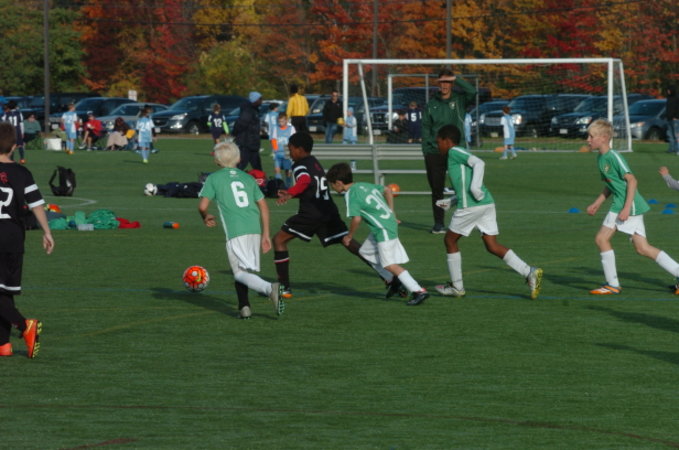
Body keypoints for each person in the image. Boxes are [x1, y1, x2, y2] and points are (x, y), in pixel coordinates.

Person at [273, 132, 402, 299]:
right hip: (328, 210)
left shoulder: (299, 165)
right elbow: (312, 187)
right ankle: (389, 277)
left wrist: (290, 193)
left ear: (300, 149)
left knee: (279, 240)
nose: (289, 152)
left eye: (290, 149)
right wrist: (294, 193)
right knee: (349, 242)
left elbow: (304, 181)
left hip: (311, 213)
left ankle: (284, 288)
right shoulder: (314, 163)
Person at [434, 124, 543, 299]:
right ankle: (529, 271)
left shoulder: (454, 152)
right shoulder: (455, 155)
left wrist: (475, 187)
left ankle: (457, 287)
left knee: (450, 240)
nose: (437, 146)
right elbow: (465, 184)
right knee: (491, 245)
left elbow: (479, 162)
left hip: (471, 207)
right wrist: (452, 201)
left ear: (447, 141)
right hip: (485, 204)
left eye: (438, 142)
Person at [586, 119, 679, 295]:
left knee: (601, 239)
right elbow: (611, 184)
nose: (588, 140)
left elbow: (632, 180)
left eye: (591, 136)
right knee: (642, 248)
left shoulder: (614, 157)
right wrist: (597, 202)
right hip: (621, 204)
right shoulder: (601, 158)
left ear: (604, 138)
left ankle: (613, 285)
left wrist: (627, 207)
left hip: (627, 205)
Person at [198, 141, 284, 319]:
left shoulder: (214, 178)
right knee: (243, 270)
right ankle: (244, 307)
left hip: (236, 230)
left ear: (216, 161)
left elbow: (202, 206)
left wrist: (205, 216)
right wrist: (266, 234)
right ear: (239, 159)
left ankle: (269, 288)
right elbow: (263, 206)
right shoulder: (248, 178)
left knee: (238, 273)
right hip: (254, 228)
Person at [326, 162, 429, 306]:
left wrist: (349, 236)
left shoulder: (350, 195)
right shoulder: (363, 185)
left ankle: (418, 290)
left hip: (383, 229)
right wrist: (391, 212)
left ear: (338, 183)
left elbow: (356, 219)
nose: (331, 187)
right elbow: (387, 190)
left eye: (331, 184)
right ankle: (393, 281)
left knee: (389, 264)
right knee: (365, 252)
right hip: (384, 225)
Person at [0, 122, 54, 358]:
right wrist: (47, 231)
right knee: (5, 291)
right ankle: (3, 344)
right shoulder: (22, 173)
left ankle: (24, 326)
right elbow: (36, 204)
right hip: (13, 238)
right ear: (14, 146)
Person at [422, 68, 477, 234]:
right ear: (438, 83)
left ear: (452, 83)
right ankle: (438, 223)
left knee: (462, 186)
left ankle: (465, 221)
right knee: (436, 189)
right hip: (434, 152)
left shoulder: (460, 100)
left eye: (448, 82)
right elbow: (426, 128)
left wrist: (456, 78)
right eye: (442, 82)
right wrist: (427, 149)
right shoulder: (431, 104)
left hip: (455, 151)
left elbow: (472, 91)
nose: (444, 85)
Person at [232, 91, 263, 171]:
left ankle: (260, 178)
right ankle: (232, 177)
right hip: (246, 143)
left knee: (257, 167)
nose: (261, 101)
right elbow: (241, 124)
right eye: (260, 99)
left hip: (252, 143)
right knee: (241, 165)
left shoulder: (254, 110)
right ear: (255, 100)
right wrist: (235, 134)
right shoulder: (248, 111)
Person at [271, 112, 295, 186]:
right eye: (279, 121)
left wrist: (291, 151)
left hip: (287, 154)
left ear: (286, 120)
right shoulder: (276, 128)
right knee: (277, 170)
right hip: (278, 153)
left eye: (282, 121)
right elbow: (274, 140)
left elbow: (293, 140)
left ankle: (288, 186)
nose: (280, 123)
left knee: (287, 171)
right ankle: (279, 186)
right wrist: (275, 150)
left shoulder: (291, 128)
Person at [666, 85, 679, 154]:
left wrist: (676, 116)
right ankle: (671, 148)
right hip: (669, 119)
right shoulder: (669, 98)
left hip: (675, 119)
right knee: (670, 135)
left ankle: (677, 149)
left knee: (676, 135)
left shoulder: (677, 98)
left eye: (669, 90)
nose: (668, 91)